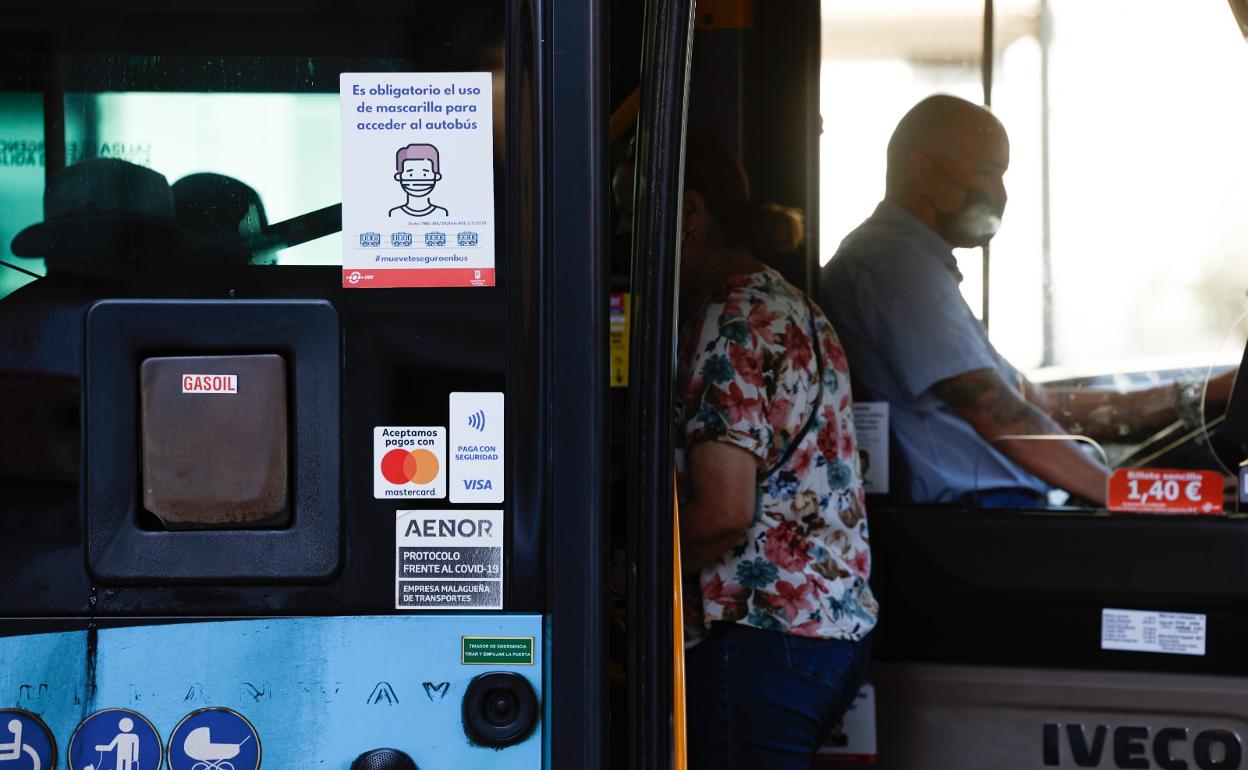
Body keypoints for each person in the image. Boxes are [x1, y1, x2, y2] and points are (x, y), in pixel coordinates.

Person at [820, 94, 1232, 507]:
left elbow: (1045, 405)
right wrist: (1131, 495)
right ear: (922, 172)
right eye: (987, 173)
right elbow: (996, 412)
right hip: (978, 527)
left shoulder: (910, 265)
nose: (999, 193)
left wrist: (1206, 394)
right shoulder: (897, 267)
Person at [678, 131, 876, 769]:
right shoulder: (792, 305)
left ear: (689, 213)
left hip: (760, 636)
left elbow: (723, 512)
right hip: (828, 629)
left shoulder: (728, 324)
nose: (625, 239)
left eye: (631, 214)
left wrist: (622, 569)